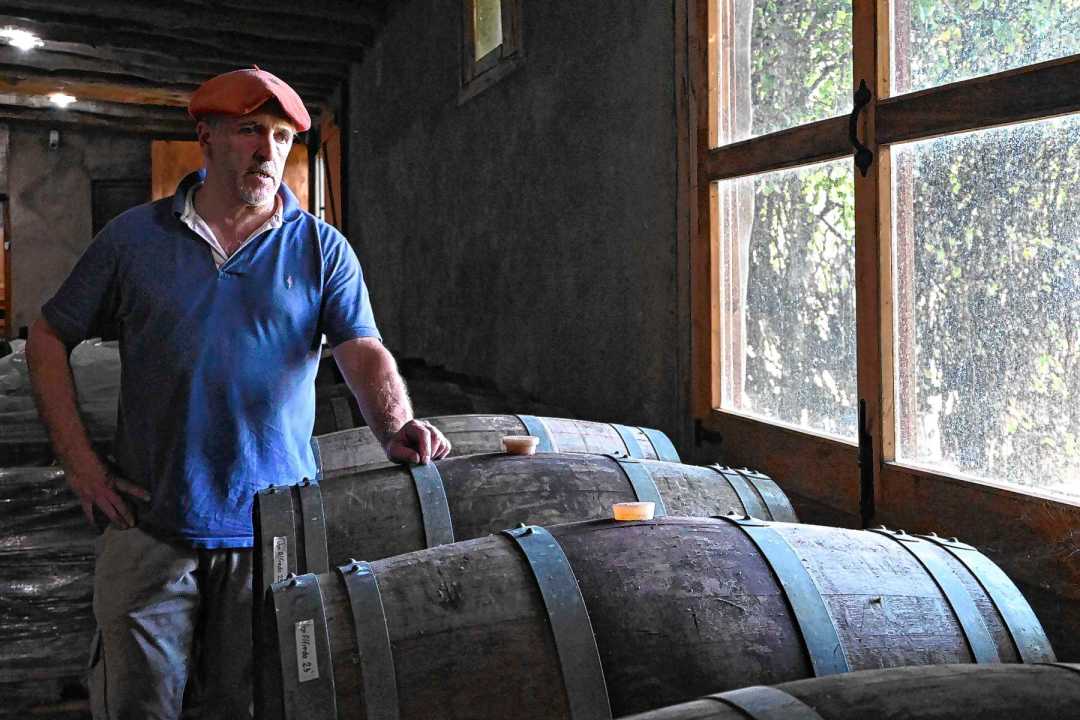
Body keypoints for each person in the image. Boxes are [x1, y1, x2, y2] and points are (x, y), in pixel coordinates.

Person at [26, 67, 450, 720]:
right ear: (207, 137)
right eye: (250, 130)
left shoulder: (321, 249)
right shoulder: (134, 239)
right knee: (138, 706)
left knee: (250, 705)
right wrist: (80, 464)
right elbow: (49, 336)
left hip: (270, 531)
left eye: (281, 136)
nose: (266, 150)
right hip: (149, 525)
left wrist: (396, 426)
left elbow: (360, 347)